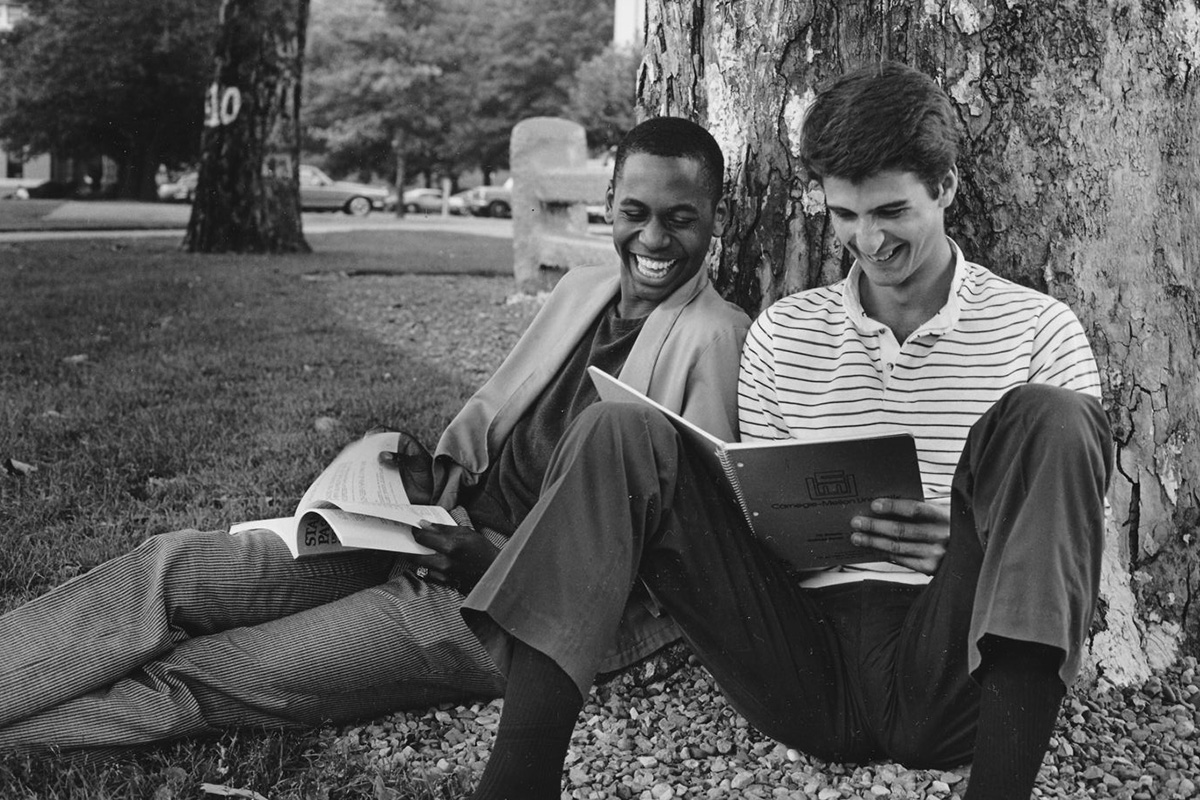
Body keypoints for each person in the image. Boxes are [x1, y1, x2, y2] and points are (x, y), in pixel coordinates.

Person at [458, 61, 1113, 800]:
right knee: (617, 428)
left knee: (1053, 416)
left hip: (955, 657)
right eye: (845, 216)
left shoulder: (1037, 328)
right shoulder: (785, 333)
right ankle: (516, 781)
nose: (868, 241)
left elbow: (1076, 527)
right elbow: (752, 517)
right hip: (804, 660)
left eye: (892, 211)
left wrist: (972, 539)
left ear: (947, 189)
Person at [0, 117, 750, 755]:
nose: (652, 238)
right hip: (419, 534)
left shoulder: (716, 338)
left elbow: (690, 545)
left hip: (497, 608)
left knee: (212, 671)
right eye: (633, 212)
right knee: (172, 569)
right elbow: (499, 416)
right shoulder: (584, 289)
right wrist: (430, 472)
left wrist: (496, 561)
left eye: (680, 218)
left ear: (716, 215)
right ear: (610, 206)